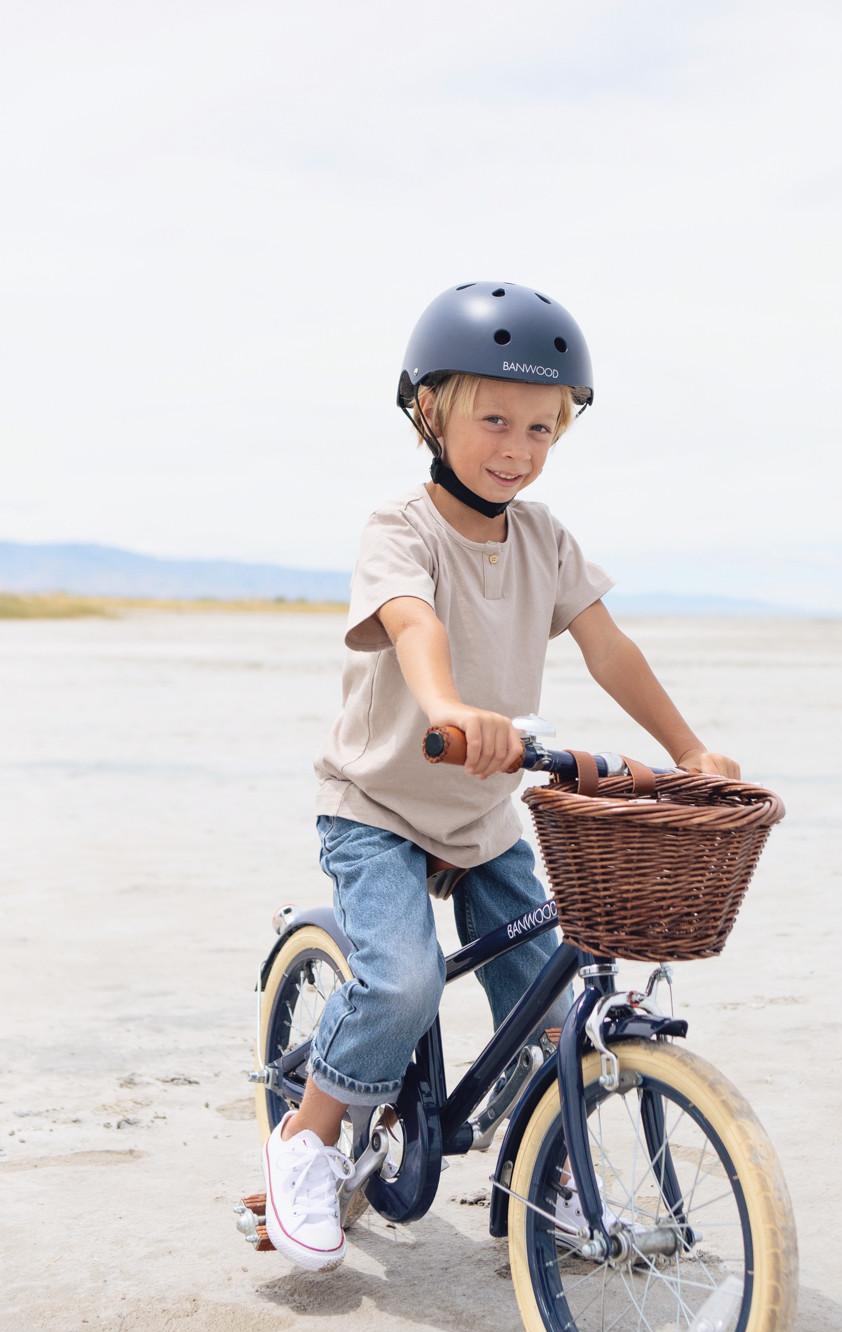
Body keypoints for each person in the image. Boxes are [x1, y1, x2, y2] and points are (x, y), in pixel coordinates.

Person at [261, 280, 742, 1271]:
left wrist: (690, 751)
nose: (517, 446)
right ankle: (305, 1141)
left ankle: (551, 1163)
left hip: (481, 815)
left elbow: (609, 650)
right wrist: (445, 708)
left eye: (541, 428)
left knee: (552, 994)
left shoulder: (545, 538)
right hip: (381, 804)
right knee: (403, 983)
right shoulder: (401, 526)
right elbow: (413, 623)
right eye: (494, 419)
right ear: (429, 412)